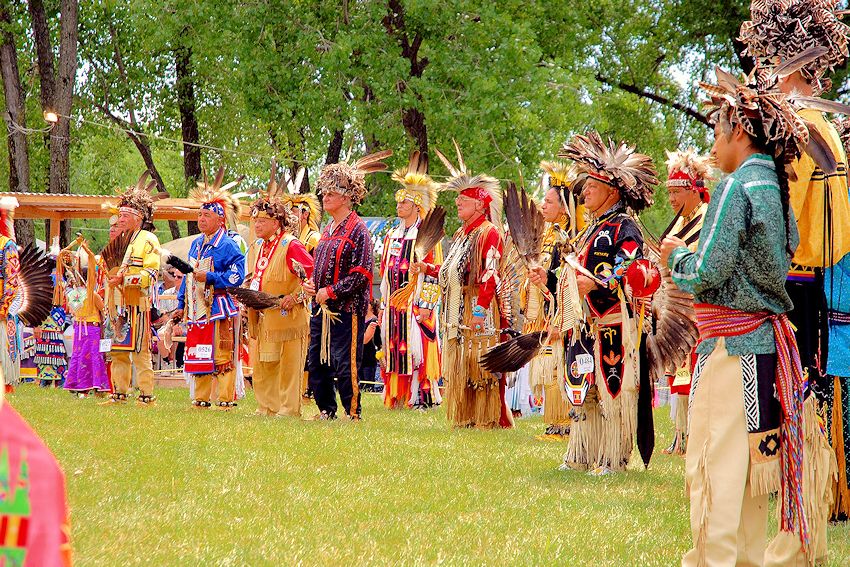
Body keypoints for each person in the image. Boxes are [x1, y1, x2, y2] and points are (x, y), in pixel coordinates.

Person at [660, 65, 827, 566]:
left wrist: (674, 257)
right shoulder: (775, 188)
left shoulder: (736, 188)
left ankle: (715, 560)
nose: (713, 143)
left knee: (716, 464)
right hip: (764, 350)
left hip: (730, 349)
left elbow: (707, 271)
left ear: (738, 130)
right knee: (755, 465)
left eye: (716, 130)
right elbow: (791, 249)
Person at [741, 0, 850, 551]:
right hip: (821, 274)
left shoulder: (801, 128)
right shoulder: (824, 125)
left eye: (768, 61)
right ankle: (819, 497)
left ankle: (798, 507)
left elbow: (786, 204)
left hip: (798, 276)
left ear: (784, 62)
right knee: (815, 387)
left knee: (789, 391)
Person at [553, 131, 656, 475]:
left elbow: (628, 266)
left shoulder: (624, 227)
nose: (584, 193)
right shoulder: (592, 229)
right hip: (585, 322)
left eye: (591, 188)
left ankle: (613, 457)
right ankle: (582, 453)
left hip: (612, 318)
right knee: (585, 387)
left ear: (611, 191)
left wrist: (596, 283)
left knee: (613, 388)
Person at [303, 150, 390, 421]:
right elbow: (321, 266)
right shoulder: (327, 230)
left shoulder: (358, 230)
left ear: (345, 197)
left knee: (344, 362)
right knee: (317, 361)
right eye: (324, 193)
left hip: (347, 309)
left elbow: (362, 274)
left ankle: (353, 412)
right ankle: (326, 410)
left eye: (330, 194)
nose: (324, 198)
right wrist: (313, 285)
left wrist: (330, 291)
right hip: (321, 310)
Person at [433, 143, 512, 429]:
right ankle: (465, 415)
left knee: (478, 363)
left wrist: (480, 310)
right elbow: (454, 269)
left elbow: (490, 274)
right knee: (461, 362)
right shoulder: (461, 233)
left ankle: (486, 417)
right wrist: (430, 269)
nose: (457, 204)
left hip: (478, 306)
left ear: (479, 204)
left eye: (463, 201)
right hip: (456, 307)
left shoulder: (489, 233)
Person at [244, 167, 313, 417]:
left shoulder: (291, 244)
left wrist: (295, 298)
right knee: (263, 363)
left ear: (275, 223)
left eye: (261, 221)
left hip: (288, 317)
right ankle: (267, 407)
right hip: (264, 315)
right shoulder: (261, 246)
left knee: (288, 365)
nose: (257, 225)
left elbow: (312, 277)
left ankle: (288, 409)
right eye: (255, 221)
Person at [176, 168, 245, 411]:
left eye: (206, 215)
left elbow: (237, 276)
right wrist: (181, 303)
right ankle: (201, 398)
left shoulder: (228, 244)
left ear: (220, 220)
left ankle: (226, 398)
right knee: (199, 352)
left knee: (222, 354)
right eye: (200, 215)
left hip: (220, 307)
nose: (201, 219)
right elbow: (188, 274)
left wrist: (212, 277)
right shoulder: (196, 244)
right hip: (197, 308)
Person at [380, 151, 443, 409]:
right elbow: (385, 270)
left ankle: (419, 396)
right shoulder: (392, 235)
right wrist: (384, 302)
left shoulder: (426, 235)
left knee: (417, 349)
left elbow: (434, 271)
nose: (399, 206)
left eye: (404, 203)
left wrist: (427, 305)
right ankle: (397, 394)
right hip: (394, 302)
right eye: (398, 202)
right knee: (393, 346)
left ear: (417, 206)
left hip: (415, 302)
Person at [659, 149, 712, 456]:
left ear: (694, 190)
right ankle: (682, 436)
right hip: (679, 309)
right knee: (680, 371)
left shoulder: (707, 219)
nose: (672, 200)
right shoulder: (679, 223)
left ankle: (696, 434)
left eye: (677, 193)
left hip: (699, 309)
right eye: (669, 194)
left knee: (697, 373)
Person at [522, 161, 573, 438]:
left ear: (564, 207)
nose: (543, 205)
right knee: (549, 365)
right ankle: (554, 422)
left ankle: (566, 421)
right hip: (545, 306)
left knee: (561, 362)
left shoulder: (570, 235)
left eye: (549, 201)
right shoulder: (549, 234)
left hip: (561, 309)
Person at [102, 172, 161, 406]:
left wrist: (125, 280)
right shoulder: (118, 240)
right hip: (115, 302)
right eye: (120, 214)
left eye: (126, 215)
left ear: (138, 218)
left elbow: (152, 273)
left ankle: (146, 395)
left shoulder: (148, 239)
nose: (121, 219)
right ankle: (120, 393)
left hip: (136, 302)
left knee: (139, 350)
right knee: (117, 350)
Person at [60, 240, 110, 396]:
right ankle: (96, 385)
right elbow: (103, 309)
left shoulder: (73, 294)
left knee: (79, 355)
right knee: (94, 356)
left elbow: (73, 311)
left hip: (78, 328)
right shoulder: (91, 294)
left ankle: (78, 385)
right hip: (92, 328)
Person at [360, 299, 382, 394]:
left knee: (368, 384)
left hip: (368, 355)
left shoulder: (374, 320)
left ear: (371, 306)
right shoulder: (360, 319)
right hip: (359, 355)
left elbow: (366, 339)